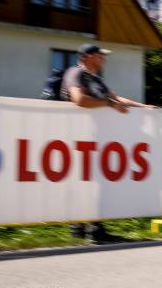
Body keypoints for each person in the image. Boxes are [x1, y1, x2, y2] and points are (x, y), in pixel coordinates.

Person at [62, 43, 153, 242]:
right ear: (87, 56)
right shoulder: (75, 73)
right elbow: (78, 99)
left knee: (93, 181)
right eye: (100, 55)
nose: (104, 59)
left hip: (96, 139)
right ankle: (94, 230)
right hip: (79, 138)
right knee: (91, 181)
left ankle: (80, 227)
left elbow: (116, 98)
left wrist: (143, 107)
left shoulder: (96, 80)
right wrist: (110, 104)